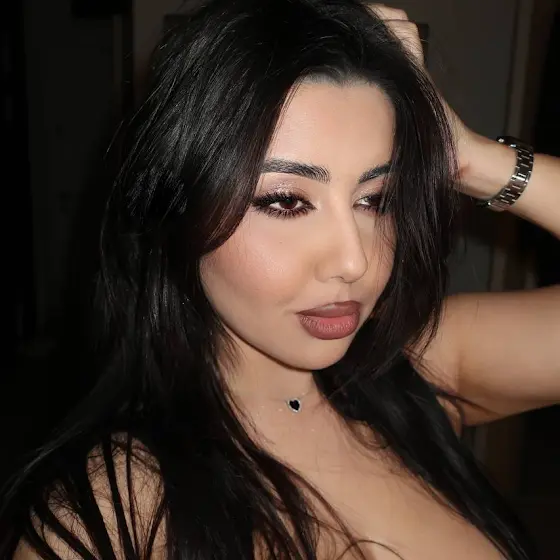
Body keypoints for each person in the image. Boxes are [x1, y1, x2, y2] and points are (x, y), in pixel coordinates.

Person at [2, 1, 559, 558]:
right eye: (287, 201)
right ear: (176, 211)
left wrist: (469, 158)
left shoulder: (425, 370)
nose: (355, 262)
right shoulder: (106, 519)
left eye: (375, 199)